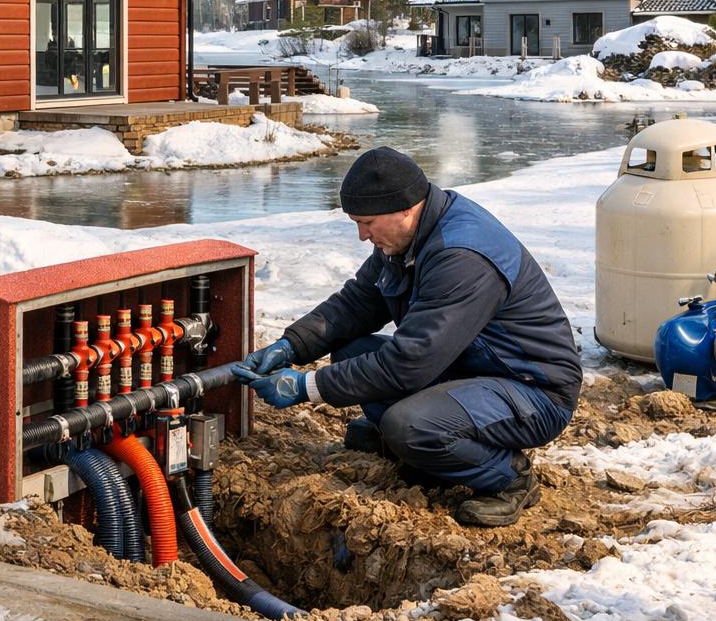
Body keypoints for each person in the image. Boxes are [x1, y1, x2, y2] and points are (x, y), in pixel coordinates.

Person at [233, 147, 582, 526]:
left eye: (367, 222)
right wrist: (293, 345)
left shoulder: (461, 256)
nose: (362, 236)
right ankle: (420, 451)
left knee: (410, 425)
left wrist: (307, 386)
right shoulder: (411, 236)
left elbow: (409, 363)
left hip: (532, 390)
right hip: (471, 370)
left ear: (404, 207)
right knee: (351, 353)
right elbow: (359, 302)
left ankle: (509, 476)